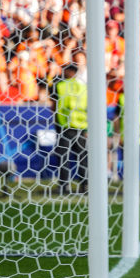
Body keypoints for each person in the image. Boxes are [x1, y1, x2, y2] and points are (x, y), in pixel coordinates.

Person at [51, 63, 88, 194]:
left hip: (65, 127)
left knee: (63, 157)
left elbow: (54, 106)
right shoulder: (84, 87)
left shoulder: (59, 86)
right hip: (81, 127)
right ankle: (85, 185)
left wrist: (56, 122)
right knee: (82, 158)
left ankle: (64, 186)